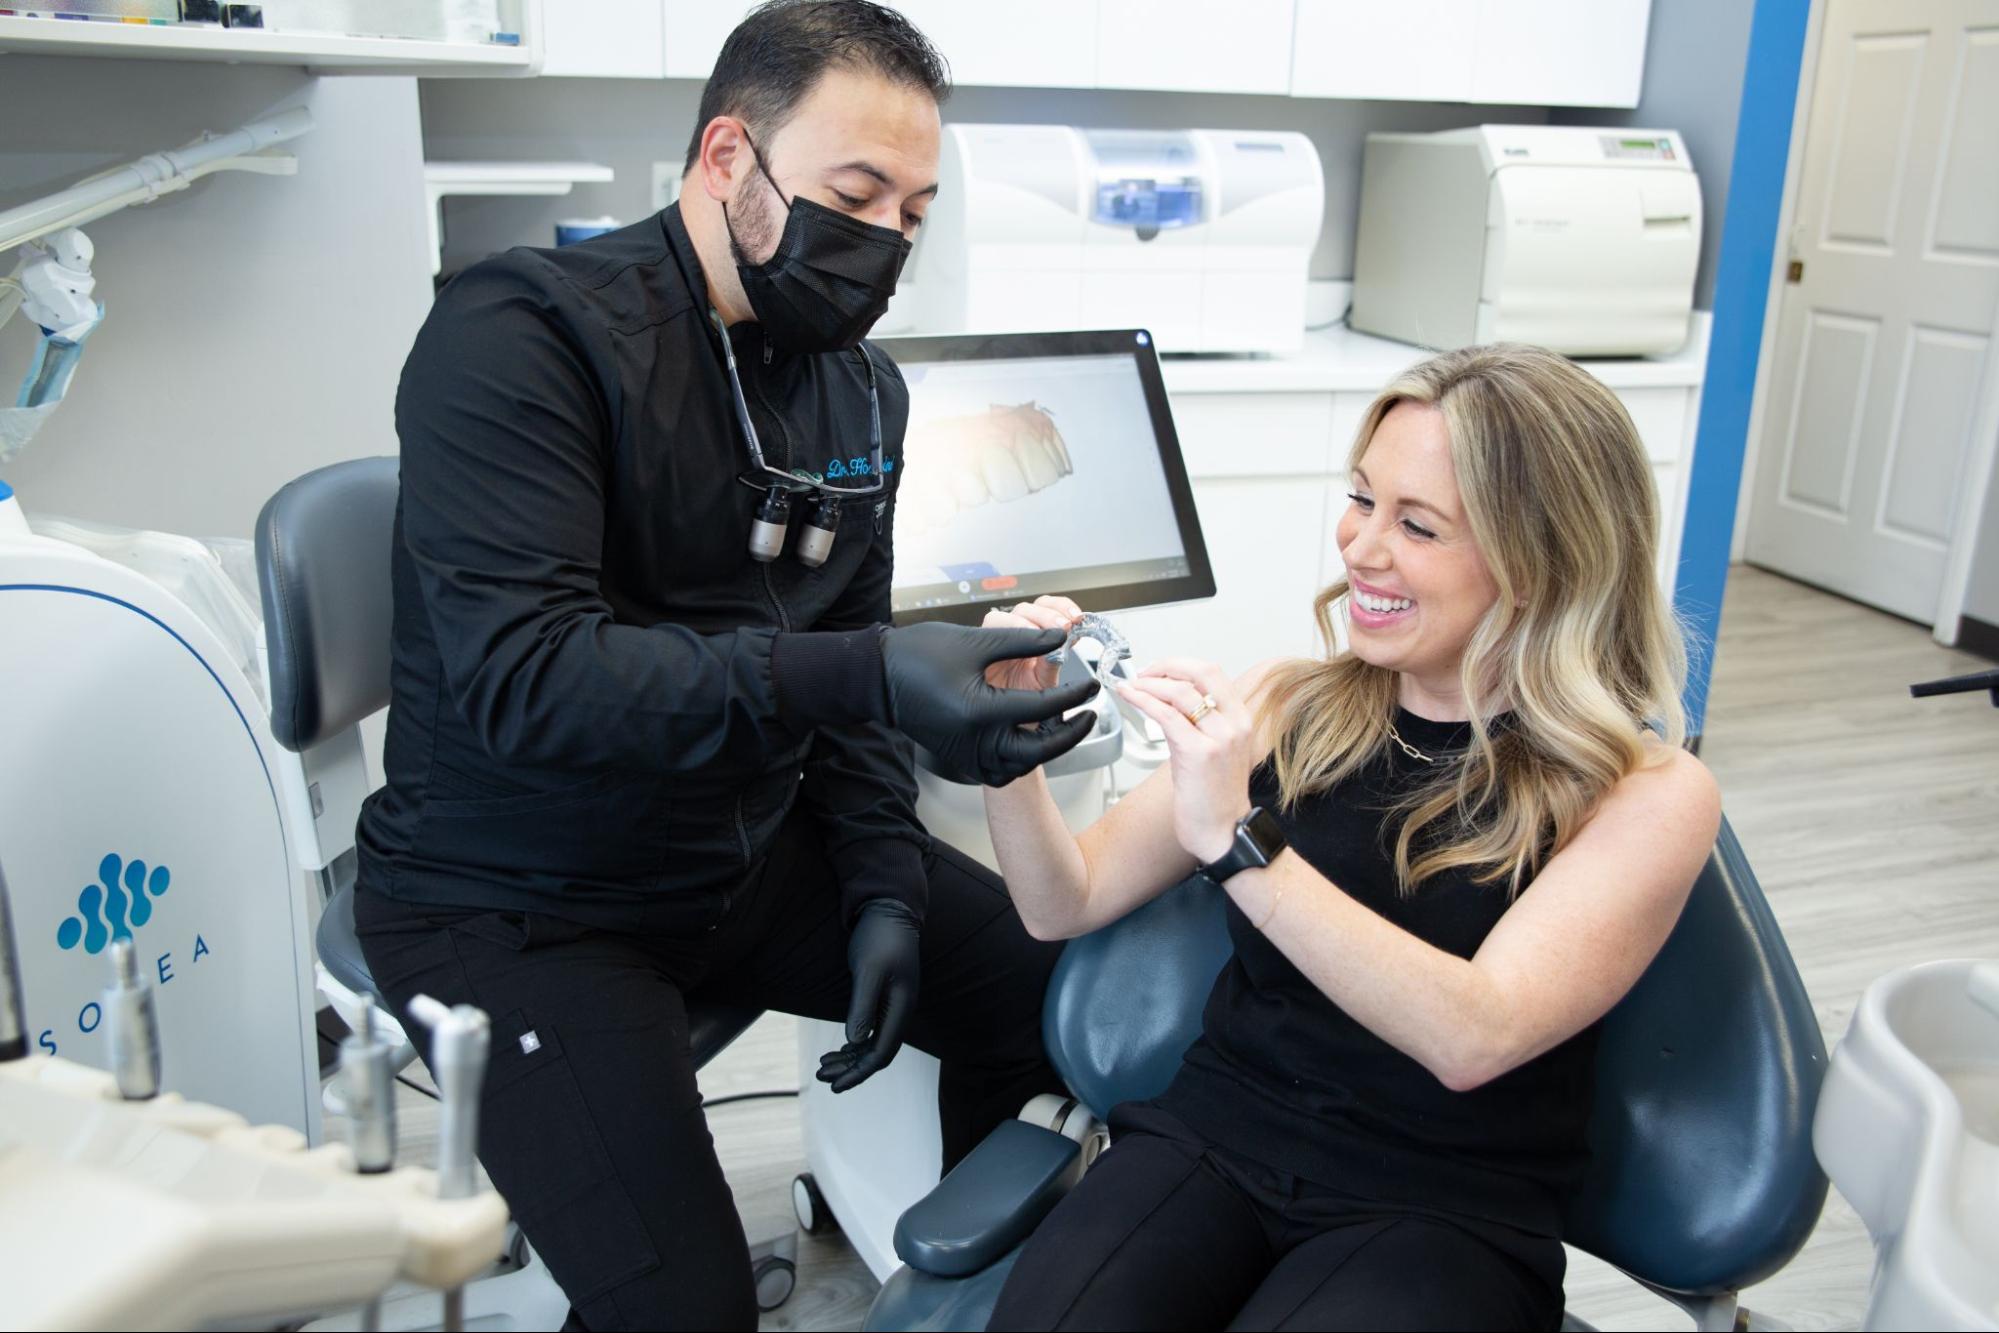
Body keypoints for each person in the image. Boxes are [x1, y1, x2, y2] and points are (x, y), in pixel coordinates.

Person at [349, 4, 1092, 1326]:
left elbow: (848, 662)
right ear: (726, 156)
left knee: (1065, 1010)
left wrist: (882, 884)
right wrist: (869, 674)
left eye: (914, 213)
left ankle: (954, 1301)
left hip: (739, 864)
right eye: (852, 196)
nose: (883, 242)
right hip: (519, 900)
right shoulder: (521, 335)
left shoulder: (861, 392)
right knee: (684, 1306)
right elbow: (533, 680)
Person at [979, 343, 1722, 1331]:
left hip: (1442, 1208)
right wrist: (1003, 747)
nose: (1360, 547)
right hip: (1212, 1137)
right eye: (1362, 499)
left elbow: (1475, 1034)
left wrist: (1237, 842)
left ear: (1540, 560)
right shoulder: (1291, 703)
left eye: (1416, 524)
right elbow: (1060, 899)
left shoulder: (1645, 792)